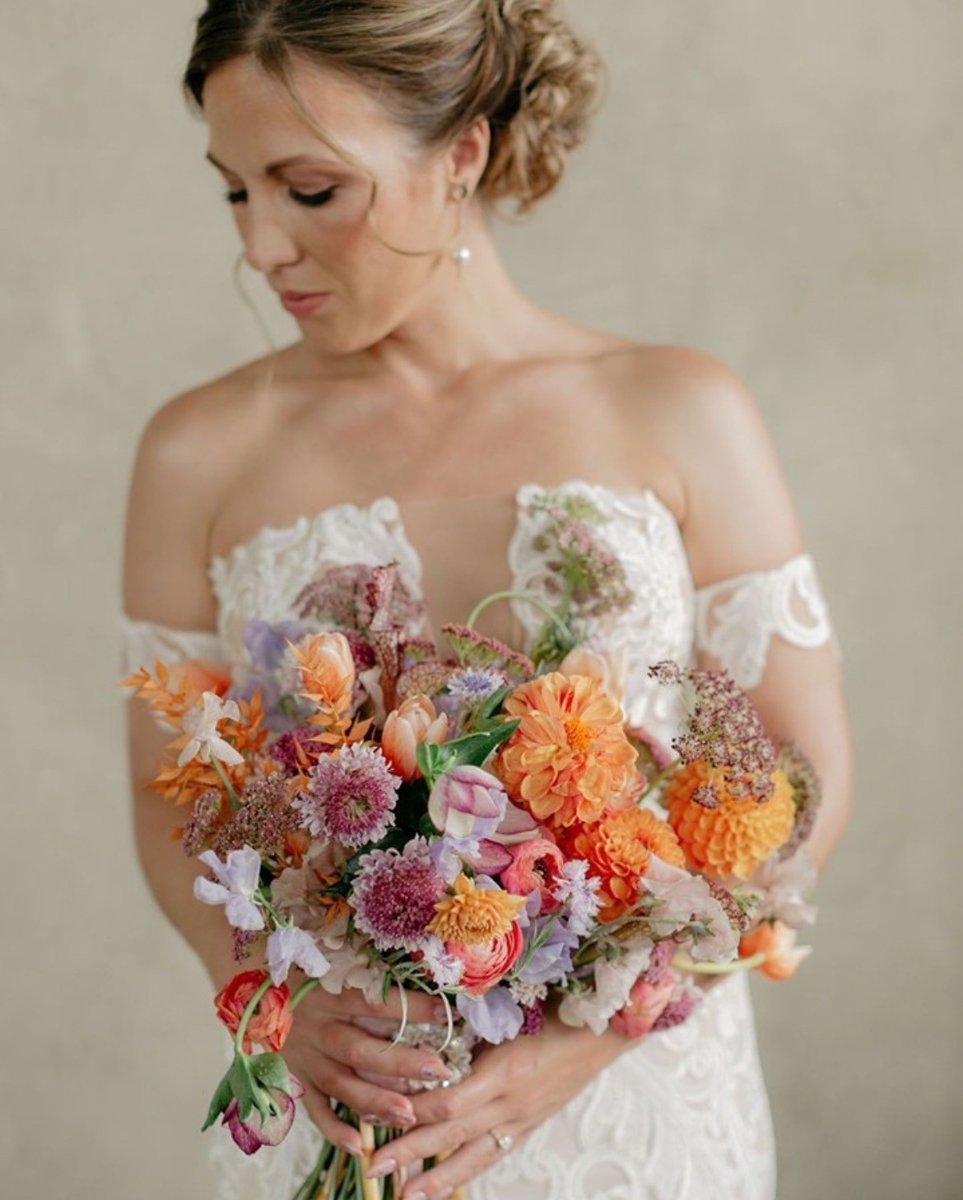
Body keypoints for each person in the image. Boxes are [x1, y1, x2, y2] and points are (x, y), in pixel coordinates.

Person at [120, 2, 853, 1198]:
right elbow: (170, 799)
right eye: (235, 191)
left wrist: (602, 1029)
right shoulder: (196, 452)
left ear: (462, 151)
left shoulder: (677, 409)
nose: (261, 245)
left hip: (639, 1109)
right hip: (353, 1101)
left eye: (310, 190)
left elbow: (799, 772)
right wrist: (263, 994)